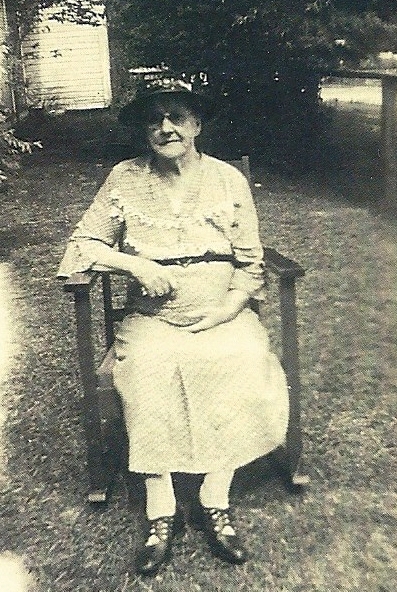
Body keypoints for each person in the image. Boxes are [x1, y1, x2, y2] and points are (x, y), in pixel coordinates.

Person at [58, 74, 289, 576]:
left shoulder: (228, 179)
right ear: (144, 131)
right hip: (154, 318)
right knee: (147, 370)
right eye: (153, 119)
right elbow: (84, 244)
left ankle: (214, 498)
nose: (165, 128)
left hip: (220, 313)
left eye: (176, 117)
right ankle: (161, 510)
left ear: (197, 124)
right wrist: (137, 265)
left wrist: (228, 309)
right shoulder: (124, 178)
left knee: (242, 357)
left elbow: (250, 262)